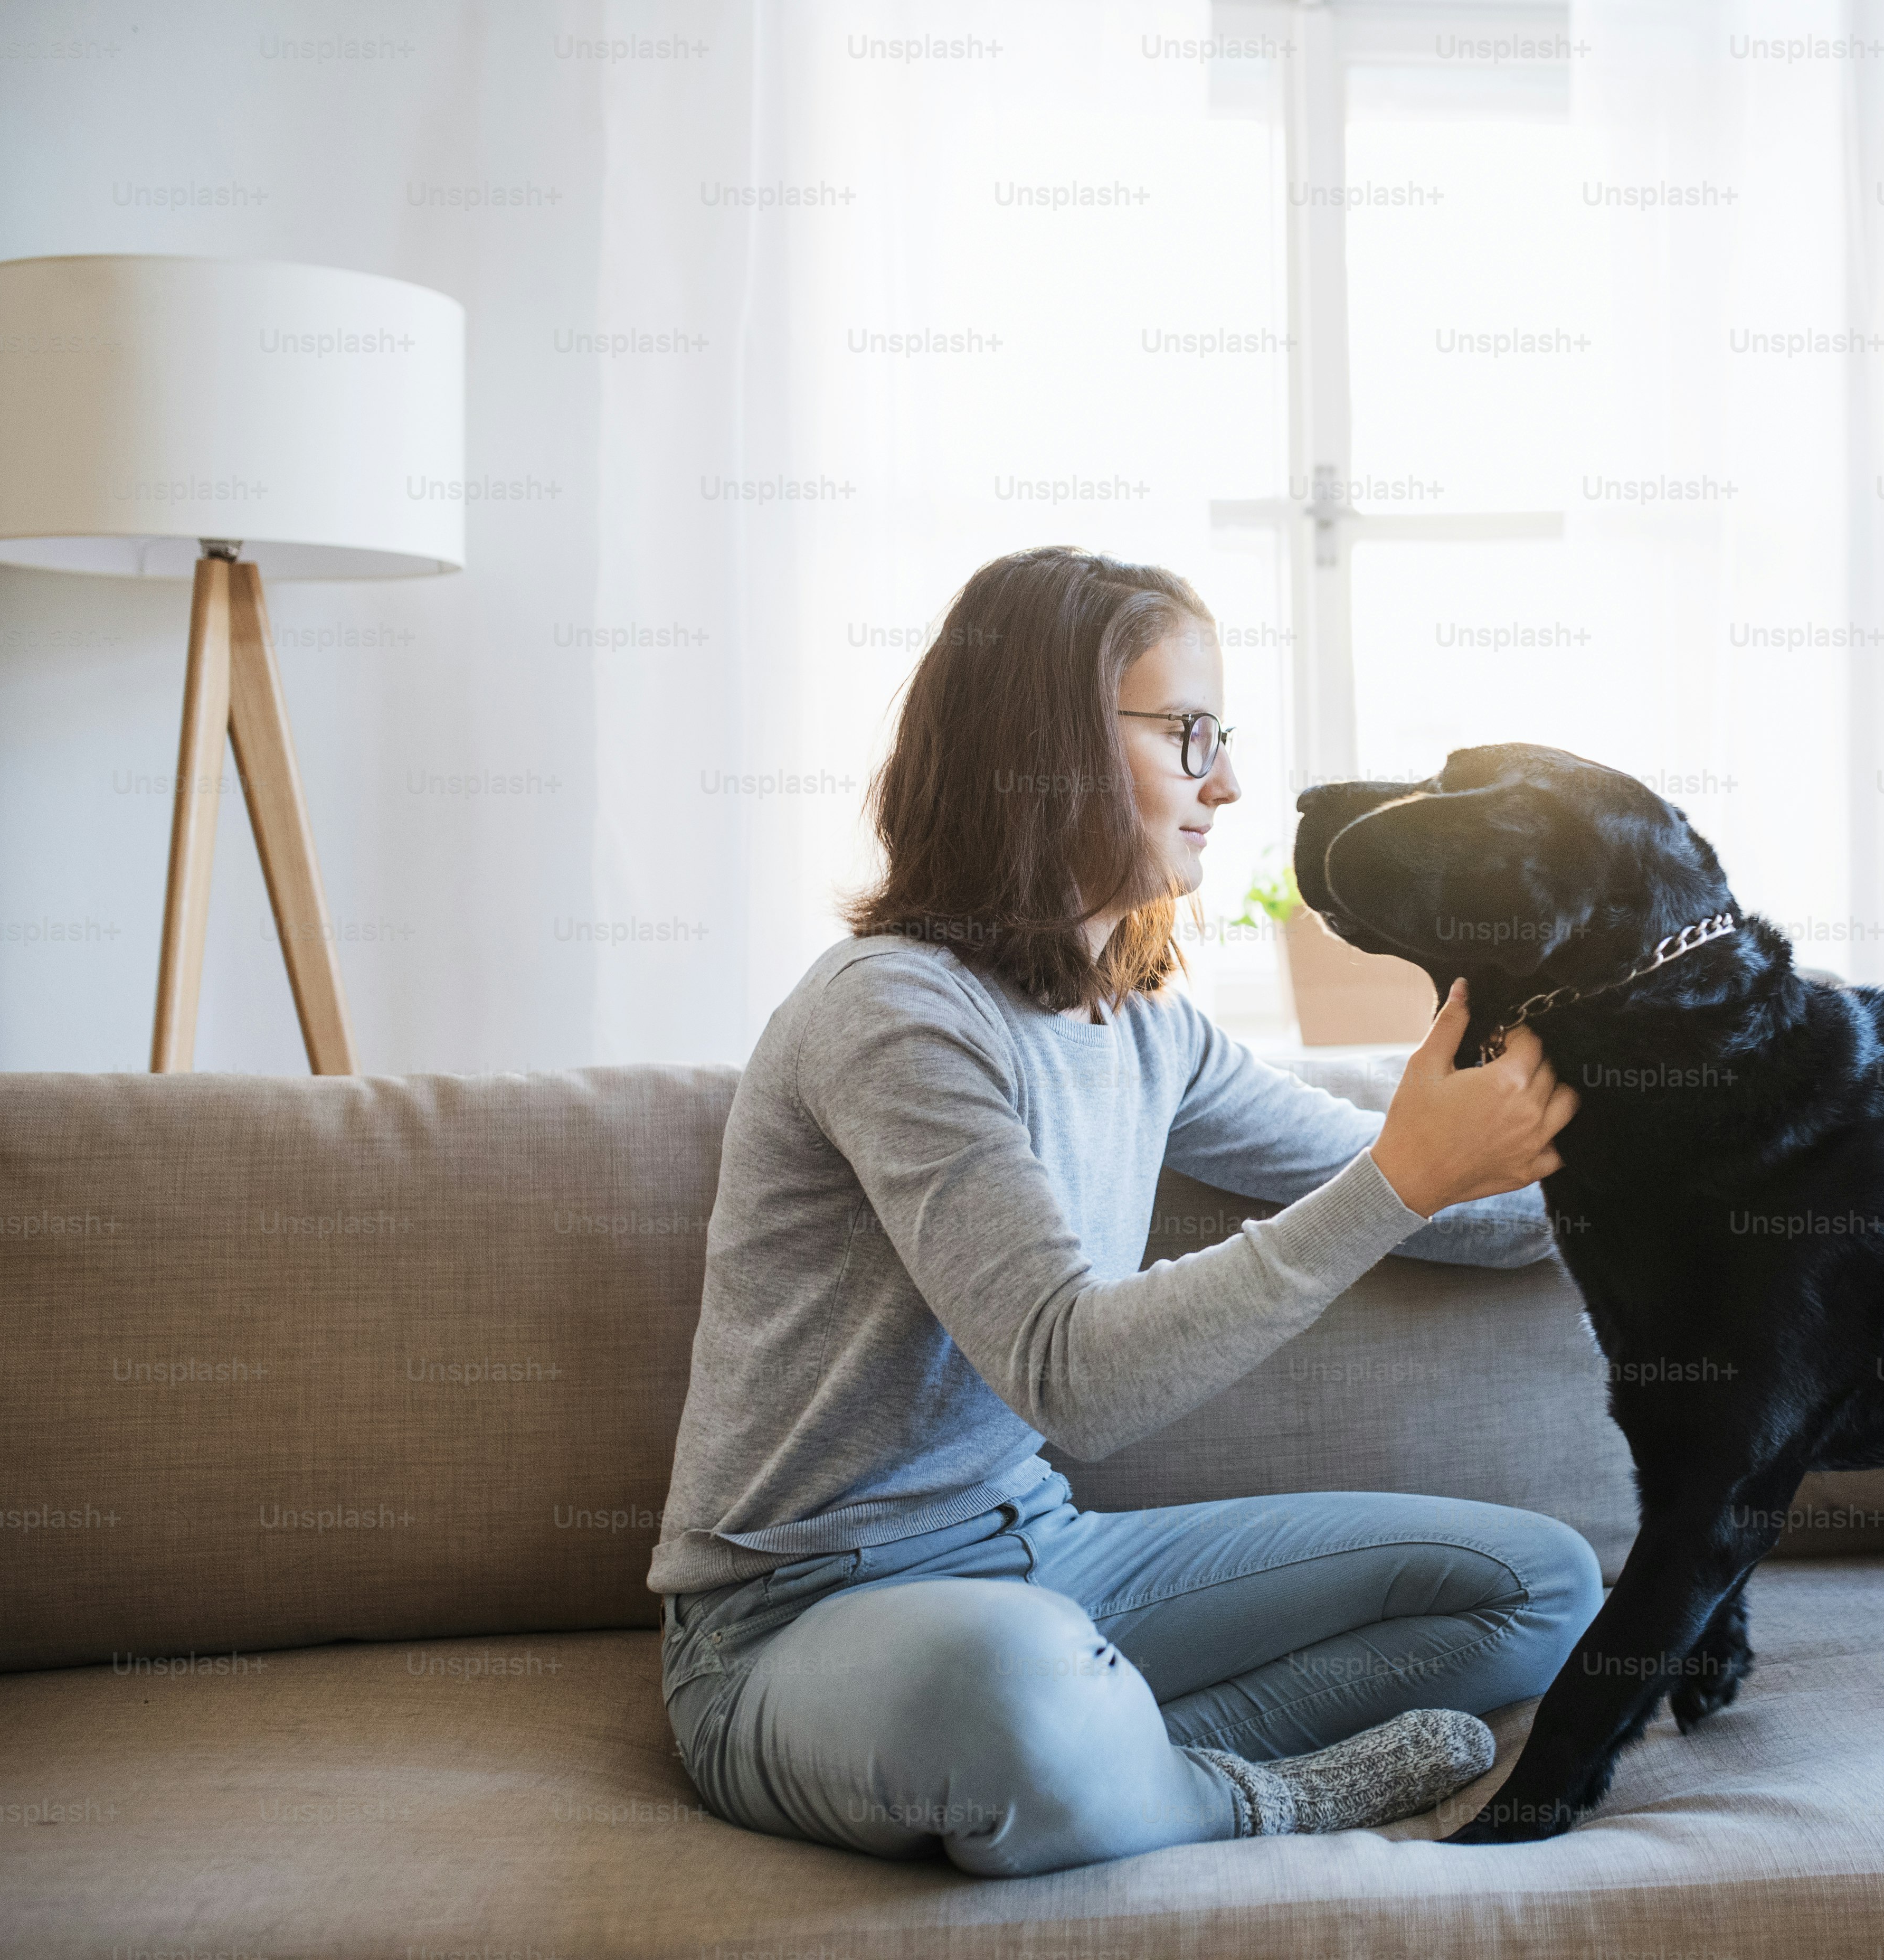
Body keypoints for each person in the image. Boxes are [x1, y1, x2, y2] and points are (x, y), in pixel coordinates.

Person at [649, 545, 1599, 1877]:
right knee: (1018, 1680)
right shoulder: (895, 1013)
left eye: (1226, 734)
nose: (1229, 781)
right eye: (1189, 732)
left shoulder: (1150, 1031)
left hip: (1043, 1556)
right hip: (798, 1617)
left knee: (1542, 1583)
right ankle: (1234, 1796)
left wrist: (1688, 1147)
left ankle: (1120, 1769)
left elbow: (1475, 1209)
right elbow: (1070, 1373)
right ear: (1046, 748)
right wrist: (1399, 1177)